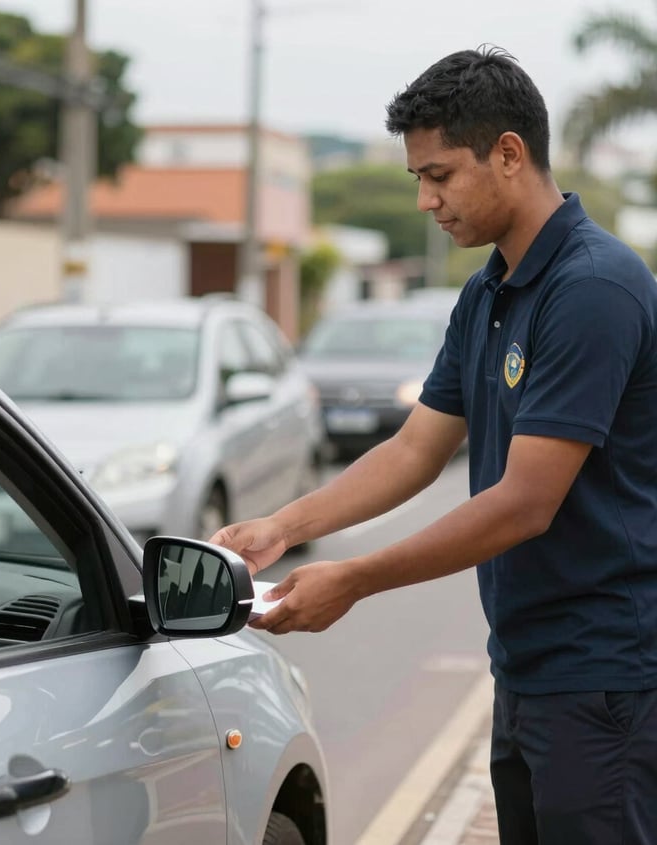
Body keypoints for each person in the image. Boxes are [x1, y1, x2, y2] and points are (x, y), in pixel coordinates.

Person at [210, 45, 657, 843]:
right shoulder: (488, 291)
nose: (425, 200)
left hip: (608, 682)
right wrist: (286, 525)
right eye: (419, 178)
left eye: (440, 175)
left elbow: (525, 503)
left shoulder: (593, 288)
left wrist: (355, 577)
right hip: (528, 671)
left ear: (510, 154)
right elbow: (415, 449)